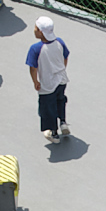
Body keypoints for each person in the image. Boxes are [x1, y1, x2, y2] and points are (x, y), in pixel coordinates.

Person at [27, 14, 72, 143]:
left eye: (35, 28)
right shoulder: (60, 42)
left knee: (48, 108)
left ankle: (54, 133)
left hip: (47, 84)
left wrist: (35, 81)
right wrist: (61, 70)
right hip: (62, 79)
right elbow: (65, 57)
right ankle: (63, 122)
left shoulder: (35, 49)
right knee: (60, 100)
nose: (34, 30)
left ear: (40, 31)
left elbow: (33, 68)